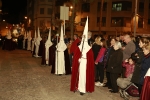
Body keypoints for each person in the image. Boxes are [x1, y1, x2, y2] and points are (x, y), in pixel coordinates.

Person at [70, 17, 94, 95]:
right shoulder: (79, 47)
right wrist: (78, 59)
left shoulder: (89, 48)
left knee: (83, 76)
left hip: (85, 64)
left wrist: (85, 60)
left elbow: (90, 58)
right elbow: (76, 55)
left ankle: (83, 89)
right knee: (79, 75)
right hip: (80, 63)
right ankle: (77, 87)